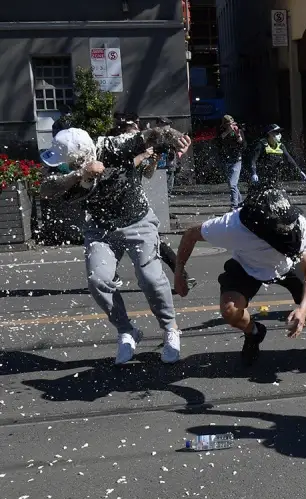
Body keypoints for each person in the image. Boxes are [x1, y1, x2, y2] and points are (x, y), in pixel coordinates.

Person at [40, 126, 192, 365]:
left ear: (86, 152)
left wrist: (176, 138)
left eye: (72, 162)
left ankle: (170, 327)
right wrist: (79, 173)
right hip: (100, 229)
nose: (65, 165)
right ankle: (126, 330)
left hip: (137, 221)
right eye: (66, 163)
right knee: (98, 280)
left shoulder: (112, 146)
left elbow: (153, 134)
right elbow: (46, 189)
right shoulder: (67, 165)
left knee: (150, 278)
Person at [173, 184, 306, 370]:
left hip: (289, 264)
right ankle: (253, 332)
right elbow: (190, 235)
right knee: (230, 311)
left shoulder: (297, 221)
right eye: (280, 227)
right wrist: (179, 271)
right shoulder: (231, 225)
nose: (287, 228)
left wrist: (303, 310)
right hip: (247, 265)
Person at [108, 114, 196, 293]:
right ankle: (110, 275)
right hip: (112, 206)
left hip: (135, 205)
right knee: (111, 245)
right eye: (133, 129)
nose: (138, 133)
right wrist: (143, 154)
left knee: (157, 242)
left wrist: (154, 159)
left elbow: (147, 174)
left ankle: (183, 275)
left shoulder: (138, 149)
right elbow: (125, 166)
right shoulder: (115, 149)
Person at [219, 115, 247, 210]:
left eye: (231, 124)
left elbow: (243, 145)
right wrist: (228, 131)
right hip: (226, 160)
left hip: (236, 160)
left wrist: (238, 134)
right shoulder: (222, 131)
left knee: (232, 184)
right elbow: (219, 141)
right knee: (231, 184)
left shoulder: (238, 131)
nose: (230, 126)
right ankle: (240, 202)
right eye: (228, 124)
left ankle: (234, 205)